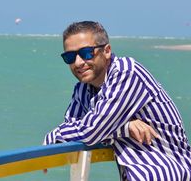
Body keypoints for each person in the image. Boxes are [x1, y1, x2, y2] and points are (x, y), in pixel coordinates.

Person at [43, 21, 191, 180]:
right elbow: (73, 128)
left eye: (86, 53)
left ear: (106, 51)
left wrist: (54, 136)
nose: (78, 63)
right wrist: (124, 128)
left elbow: (91, 132)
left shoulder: (126, 73)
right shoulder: (82, 90)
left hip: (166, 173)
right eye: (70, 57)